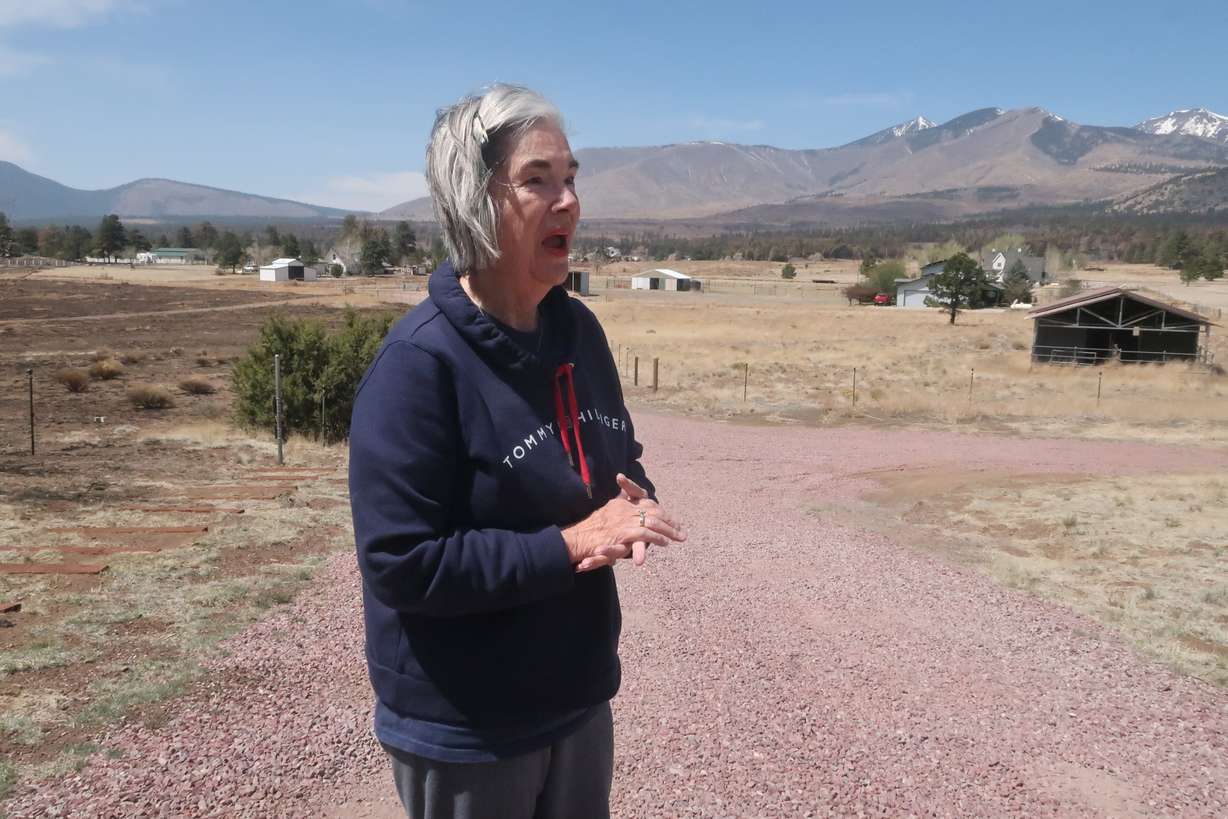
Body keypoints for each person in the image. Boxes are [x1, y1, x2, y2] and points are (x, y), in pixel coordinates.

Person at [348, 84, 687, 819]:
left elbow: (616, 458)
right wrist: (570, 544)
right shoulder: (418, 365)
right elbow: (401, 562)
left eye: (571, 178)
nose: (567, 200)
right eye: (538, 179)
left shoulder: (581, 333)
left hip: (578, 697)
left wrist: (634, 500)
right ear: (474, 198)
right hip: (467, 727)